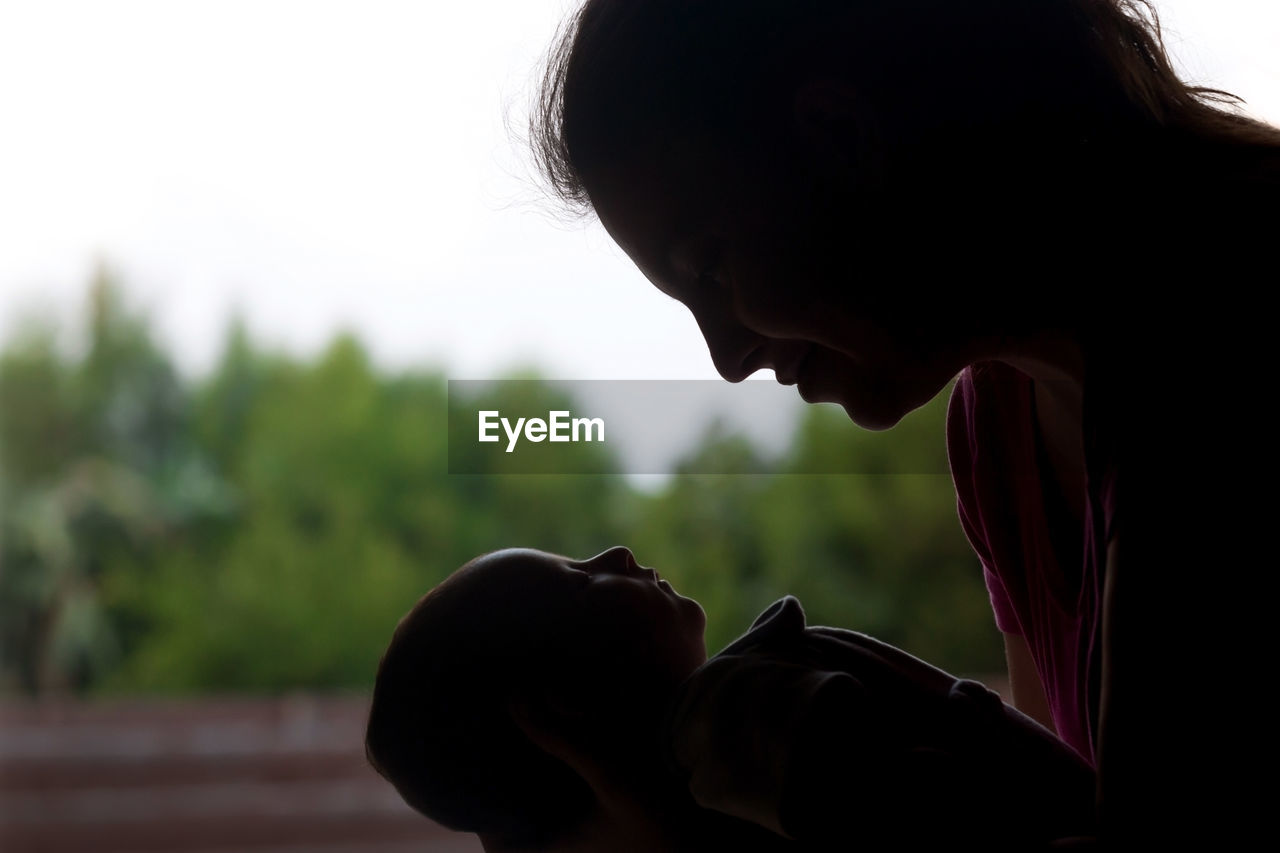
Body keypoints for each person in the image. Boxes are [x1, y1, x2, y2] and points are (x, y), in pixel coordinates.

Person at [528, 0, 1280, 845]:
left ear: (842, 138)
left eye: (709, 266)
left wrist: (772, 804)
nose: (729, 359)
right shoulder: (999, 426)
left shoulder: (1227, 335)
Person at [365, 546, 1096, 851]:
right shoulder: (720, 726)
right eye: (581, 581)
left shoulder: (726, 731)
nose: (617, 554)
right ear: (562, 713)